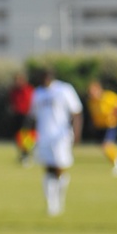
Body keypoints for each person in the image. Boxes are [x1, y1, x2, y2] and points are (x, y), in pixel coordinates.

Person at [29, 68, 82, 216]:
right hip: (44, 136)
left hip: (61, 136)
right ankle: (51, 204)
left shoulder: (64, 90)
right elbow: (33, 116)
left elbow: (76, 112)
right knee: (48, 169)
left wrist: (76, 133)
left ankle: (59, 200)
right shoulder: (37, 93)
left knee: (60, 168)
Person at [85, 80, 117, 176]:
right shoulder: (91, 102)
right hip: (100, 126)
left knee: (106, 145)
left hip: (110, 125)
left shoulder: (108, 96)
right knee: (105, 147)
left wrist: (115, 113)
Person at [8, 72, 35, 164]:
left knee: (26, 136)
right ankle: (22, 154)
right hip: (17, 115)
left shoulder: (28, 89)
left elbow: (31, 102)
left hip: (26, 115)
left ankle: (27, 153)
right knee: (18, 136)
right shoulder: (14, 91)